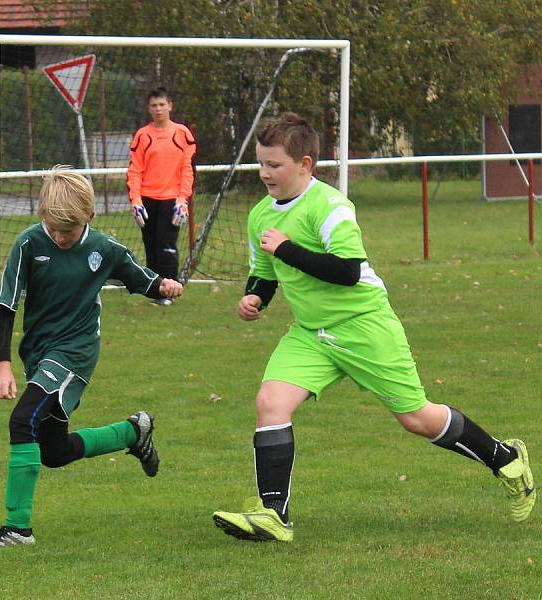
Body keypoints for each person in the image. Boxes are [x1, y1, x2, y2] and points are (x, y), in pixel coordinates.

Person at [212, 112, 536, 543]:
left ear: (305, 164)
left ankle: (506, 459)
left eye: (275, 165)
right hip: (312, 333)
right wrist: (256, 296)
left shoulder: (330, 206)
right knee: (270, 401)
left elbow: (347, 271)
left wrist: (287, 249)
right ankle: (274, 516)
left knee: (417, 418)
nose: (265, 173)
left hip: (364, 325)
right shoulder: (259, 216)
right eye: (262, 163)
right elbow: (266, 270)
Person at [0, 166, 183, 547]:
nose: (60, 237)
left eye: (69, 231)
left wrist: (164, 284)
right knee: (54, 452)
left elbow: (140, 277)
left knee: (22, 420)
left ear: (89, 218)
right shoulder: (28, 244)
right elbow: (6, 304)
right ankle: (132, 432)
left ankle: (17, 528)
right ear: (42, 215)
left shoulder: (104, 248)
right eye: (54, 229)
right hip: (40, 355)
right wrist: (3, 364)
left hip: (75, 352)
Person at [126, 87, 196, 305]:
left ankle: (169, 291)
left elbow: (187, 168)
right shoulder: (142, 135)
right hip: (147, 200)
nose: (158, 109)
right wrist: (136, 201)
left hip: (172, 201)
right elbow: (135, 170)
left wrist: (183, 199)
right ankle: (155, 290)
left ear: (170, 106)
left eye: (162, 105)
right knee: (151, 244)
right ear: (149, 108)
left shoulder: (181, 133)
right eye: (154, 105)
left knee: (167, 245)